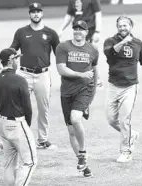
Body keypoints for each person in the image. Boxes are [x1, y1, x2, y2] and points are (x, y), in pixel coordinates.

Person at [103, 16, 142, 163]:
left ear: (131, 26)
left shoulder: (137, 43)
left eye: (125, 25)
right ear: (117, 27)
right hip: (113, 86)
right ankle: (132, 135)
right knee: (110, 120)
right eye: (120, 26)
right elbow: (109, 53)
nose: (123, 28)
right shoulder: (110, 41)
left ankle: (126, 151)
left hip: (130, 87)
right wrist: (123, 42)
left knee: (124, 120)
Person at [10, 2, 60, 149]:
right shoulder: (21, 32)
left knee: (43, 108)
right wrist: (9, 55)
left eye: (38, 11)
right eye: (33, 12)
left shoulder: (51, 33)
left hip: (43, 75)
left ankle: (42, 140)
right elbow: (13, 48)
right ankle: (15, 138)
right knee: (19, 107)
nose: (36, 14)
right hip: (24, 74)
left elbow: (59, 54)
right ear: (29, 14)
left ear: (42, 13)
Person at [56, 20, 99, 177]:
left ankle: (82, 152)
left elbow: (94, 70)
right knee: (71, 131)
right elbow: (61, 69)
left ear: (86, 32)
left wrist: (92, 93)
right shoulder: (63, 47)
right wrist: (81, 74)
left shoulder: (92, 50)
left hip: (84, 90)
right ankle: (84, 163)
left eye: (81, 29)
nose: (78, 31)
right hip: (66, 93)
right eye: (75, 29)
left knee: (75, 118)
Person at [0, 48, 37, 186]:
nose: (18, 61)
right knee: (30, 162)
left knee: (9, 164)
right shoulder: (20, 80)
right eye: (16, 58)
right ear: (10, 60)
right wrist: (26, 126)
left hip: (3, 126)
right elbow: (28, 108)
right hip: (18, 124)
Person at [58, 0, 103, 87]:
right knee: (77, 56)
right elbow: (69, 15)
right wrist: (61, 28)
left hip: (89, 30)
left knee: (90, 56)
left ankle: (96, 80)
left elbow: (98, 14)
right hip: (77, 31)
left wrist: (97, 31)